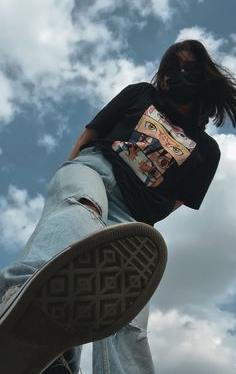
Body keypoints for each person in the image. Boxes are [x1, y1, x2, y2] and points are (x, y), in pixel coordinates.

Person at [1, 39, 236, 374]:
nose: (179, 74)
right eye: (173, 68)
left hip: (133, 215)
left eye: (189, 68)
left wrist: (142, 213)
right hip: (95, 170)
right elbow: (88, 135)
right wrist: (68, 174)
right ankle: (24, 318)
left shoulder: (207, 150)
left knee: (125, 309)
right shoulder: (141, 94)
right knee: (77, 214)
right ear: (163, 76)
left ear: (204, 76)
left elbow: (178, 200)